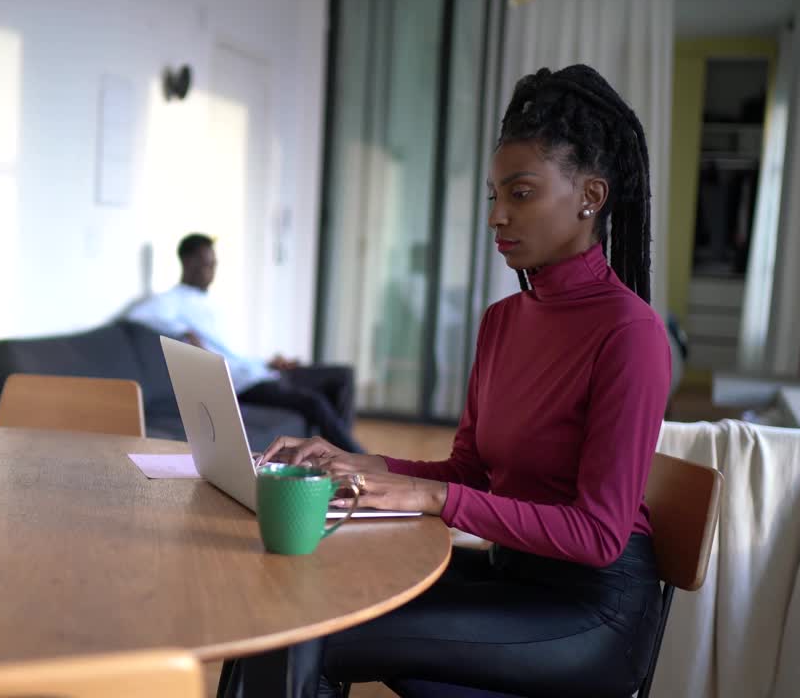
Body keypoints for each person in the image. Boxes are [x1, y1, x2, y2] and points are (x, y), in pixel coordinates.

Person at [223, 64, 672, 697]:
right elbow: (470, 471)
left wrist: (431, 500)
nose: (496, 216)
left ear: (589, 197)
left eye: (520, 194)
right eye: (493, 195)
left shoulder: (630, 333)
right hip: (511, 577)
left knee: (317, 633)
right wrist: (352, 460)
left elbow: (598, 535)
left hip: (590, 616)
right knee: (296, 598)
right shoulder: (503, 321)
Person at [127, 233, 363, 453]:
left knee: (341, 376)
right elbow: (137, 315)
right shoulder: (172, 300)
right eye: (207, 264)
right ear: (188, 263)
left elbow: (233, 352)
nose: (212, 271)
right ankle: (352, 458)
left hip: (258, 370)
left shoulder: (210, 302)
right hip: (242, 383)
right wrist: (183, 331)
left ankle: (336, 455)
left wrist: (268, 362)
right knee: (314, 402)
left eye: (214, 264)